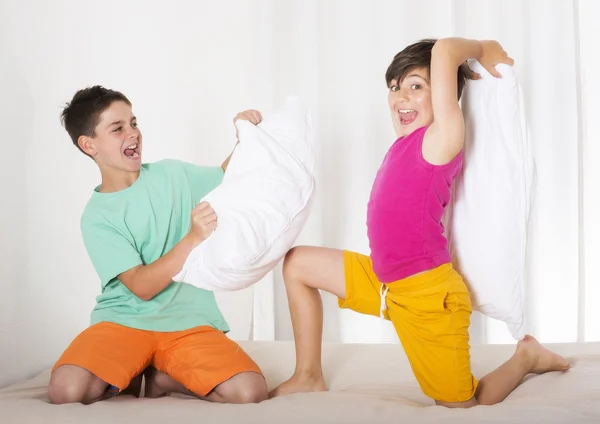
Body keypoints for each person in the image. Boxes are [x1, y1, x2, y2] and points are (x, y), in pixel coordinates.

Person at [270, 38, 571, 408]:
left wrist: (485, 48)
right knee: (298, 263)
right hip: (384, 284)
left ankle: (526, 356)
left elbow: (444, 50)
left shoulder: (442, 139)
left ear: (444, 97)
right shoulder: (404, 142)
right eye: (395, 88)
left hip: (429, 296)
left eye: (416, 86)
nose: (401, 98)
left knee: (462, 404)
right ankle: (308, 376)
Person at [48, 85, 268, 405]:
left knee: (249, 391)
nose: (133, 133)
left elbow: (227, 177)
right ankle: (131, 368)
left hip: (188, 324)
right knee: (66, 391)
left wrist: (245, 137)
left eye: (134, 123)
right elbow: (141, 286)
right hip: (123, 322)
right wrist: (193, 238)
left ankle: (162, 378)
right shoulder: (96, 217)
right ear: (88, 144)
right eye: (118, 128)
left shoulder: (172, 174)